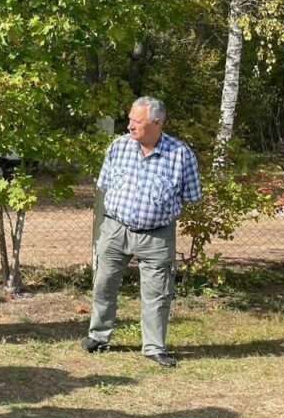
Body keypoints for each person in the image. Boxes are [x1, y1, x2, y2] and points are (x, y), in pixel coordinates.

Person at [81, 96, 202, 367]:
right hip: (115, 229)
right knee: (103, 283)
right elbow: (104, 185)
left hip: (157, 236)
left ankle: (154, 347)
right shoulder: (118, 147)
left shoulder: (180, 154)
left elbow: (191, 196)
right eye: (130, 120)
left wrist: (160, 213)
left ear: (156, 123)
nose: (130, 126)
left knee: (158, 293)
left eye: (137, 121)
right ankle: (98, 336)